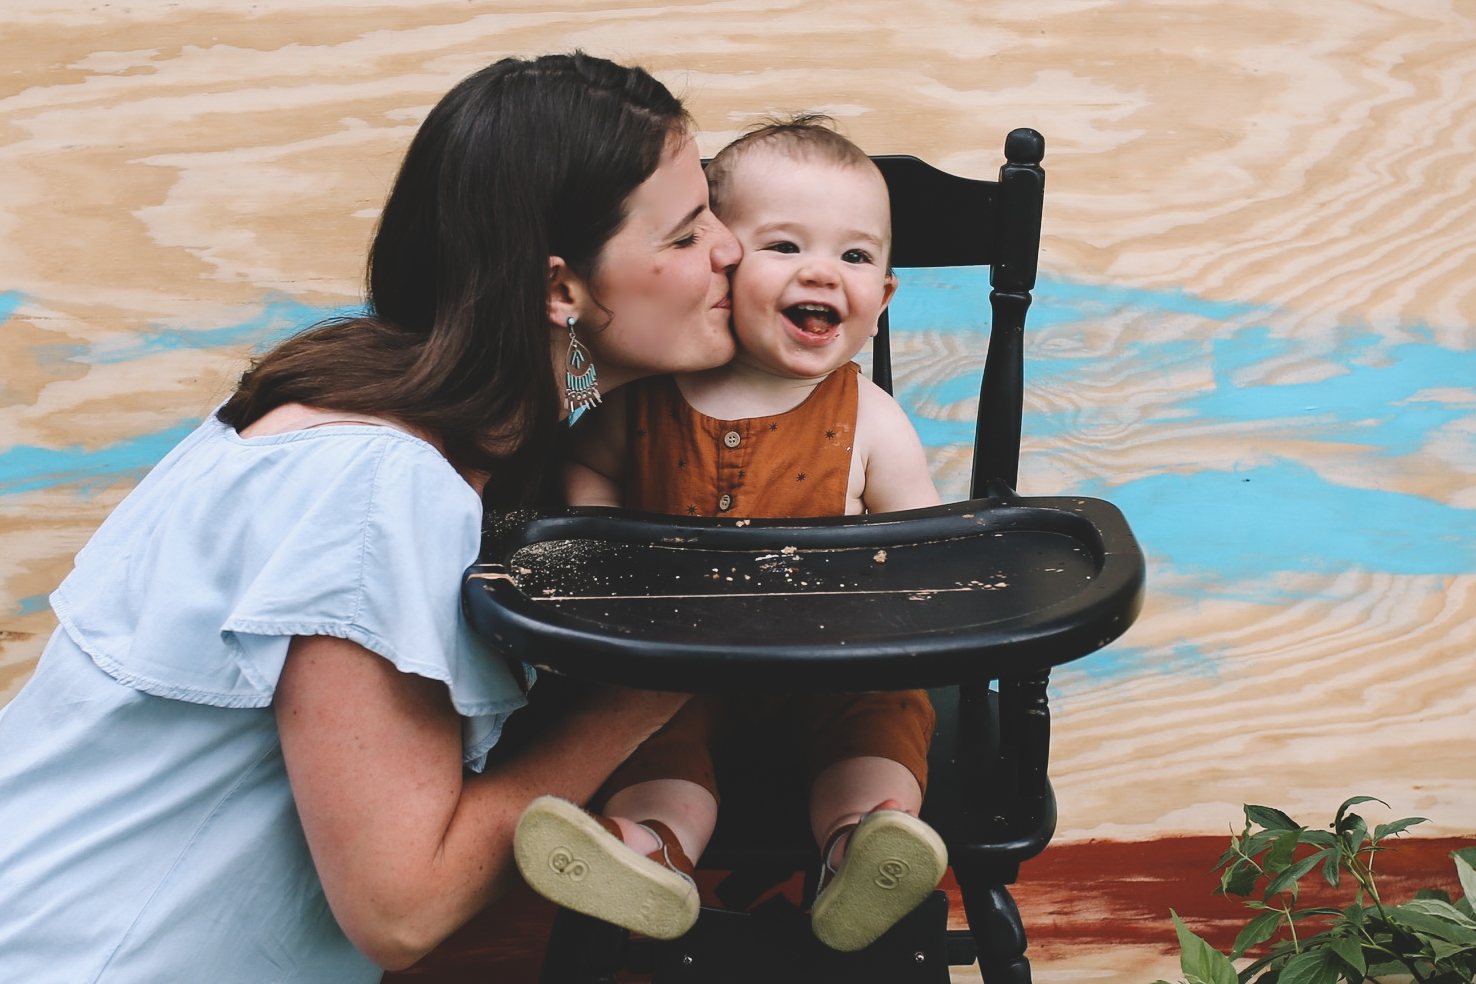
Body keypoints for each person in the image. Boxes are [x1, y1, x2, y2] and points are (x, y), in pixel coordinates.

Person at [0, 52, 743, 983]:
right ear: (560, 291)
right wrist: (652, 684)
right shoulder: (379, 483)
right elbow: (403, 907)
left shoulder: (378, 420)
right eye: (684, 235)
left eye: (711, 206)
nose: (729, 248)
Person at [514, 117, 948, 953]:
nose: (824, 271)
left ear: (884, 298)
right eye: (784, 245)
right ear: (721, 267)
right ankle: (646, 855)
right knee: (651, 745)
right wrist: (604, 547)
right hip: (672, 672)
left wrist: (895, 588)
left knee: (880, 720)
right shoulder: (646, 397)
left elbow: (930, 546)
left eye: (856, 257)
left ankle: (863, 846)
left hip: (831, 665)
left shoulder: (872, 420)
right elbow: (587, 472)